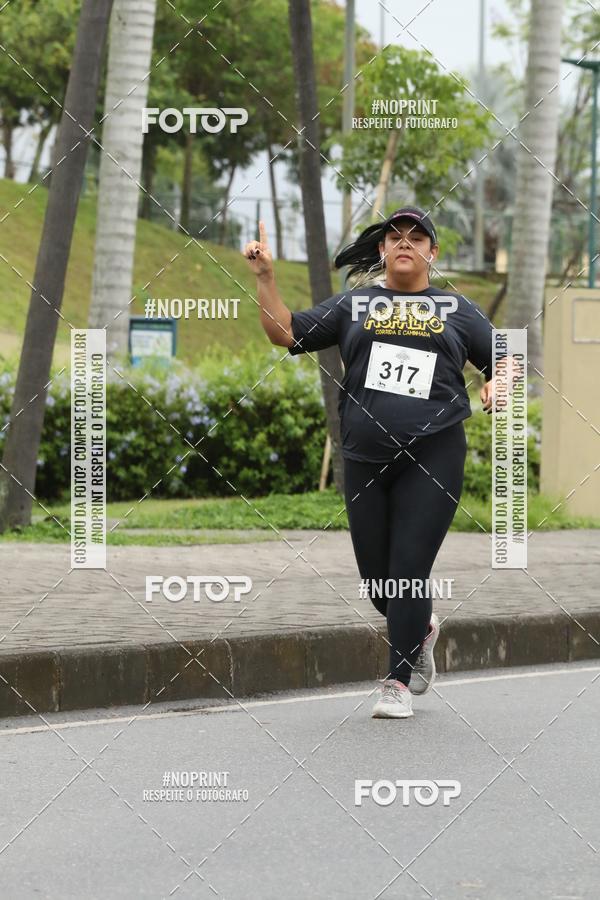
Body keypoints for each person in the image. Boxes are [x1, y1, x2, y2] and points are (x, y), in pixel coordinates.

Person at [243, 207, 511, 720]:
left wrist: (500, 380)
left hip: (433, 452)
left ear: (432, 253)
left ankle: (396, 681)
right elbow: (286, 333)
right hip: (364, 456)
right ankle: (422, 628)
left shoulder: (455, 309)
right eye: (395, 236)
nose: (405, 242)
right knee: (378, 583)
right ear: (383, 250)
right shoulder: (355, 304)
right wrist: (267, 278)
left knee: (409, 569)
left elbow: (506, 353)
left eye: (417, 236)